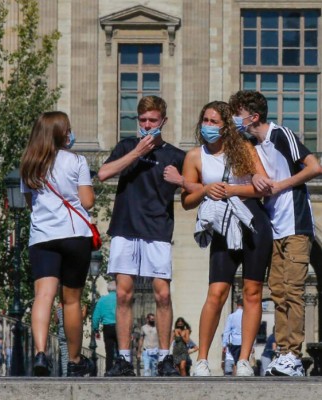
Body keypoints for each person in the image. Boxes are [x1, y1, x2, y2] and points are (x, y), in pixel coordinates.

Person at [173, 100, 272, 377]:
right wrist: (205, 189)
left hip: (252, 222)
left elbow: (262, 187)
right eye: (206, 120)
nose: (209, 126)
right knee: (216, 292)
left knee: (253, 293)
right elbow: (186, 201)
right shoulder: (194, 156)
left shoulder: (243, 149)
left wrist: (230, 189)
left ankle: (243, 360)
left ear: (226, 126)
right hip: (222, 226)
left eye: (215, 121)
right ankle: (203, 359)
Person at [229, 90, 322, 376]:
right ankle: (285, 353)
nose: (235, 119)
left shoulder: (280, 135)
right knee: (280, 291)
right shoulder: (250, 144)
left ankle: (293, 355)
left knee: (293, 290)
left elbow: (314, 166)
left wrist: (283, 185)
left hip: (295, 224)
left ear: (253, 116)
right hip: (275, 226)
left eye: (238, 113)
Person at [97, 96, 185, 377]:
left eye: (153, 121)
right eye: (143, 121)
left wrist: (181, 181)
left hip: (158, 230)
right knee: (123, 294)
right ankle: (123, 359)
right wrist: (136, 152)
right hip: (125, 227)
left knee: (162, 294)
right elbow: (103, 173)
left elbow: (198, 188)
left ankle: (164, 357)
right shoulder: (126, 146)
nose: (147, 125)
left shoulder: (175, 156)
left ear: (163, 122)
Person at [20, 111, 95, 377]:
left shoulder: (29, 164)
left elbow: (30, 204)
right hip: (75, 235)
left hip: (42, 238)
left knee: (43, 296)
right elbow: (87, 202)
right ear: (61, 134)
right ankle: (74, 361)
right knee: (71, 301)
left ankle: (41, 352)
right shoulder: (76, 161)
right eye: (68, 129)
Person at [91, 281, 118, 374]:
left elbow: (96, 316)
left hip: (107, 327)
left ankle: (109, 370)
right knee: (120, 349)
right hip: (119, 327)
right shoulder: (120, 298)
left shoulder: (102, 300)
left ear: (108, 289)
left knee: (109, 351)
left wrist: (96, 329)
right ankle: (120, 369)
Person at [222, 297, 244, 375]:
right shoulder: (246, 316)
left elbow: (227, 331)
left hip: (234, 342)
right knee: (241, 361)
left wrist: (224, 344)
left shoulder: (231, 316)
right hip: (244, 342)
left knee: (234, 361)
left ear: (237, 305)